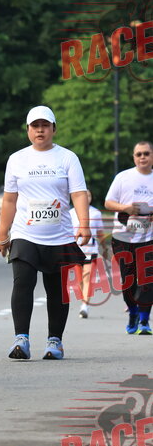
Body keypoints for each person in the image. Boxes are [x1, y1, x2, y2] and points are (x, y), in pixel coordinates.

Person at [0, 106, 91, 360]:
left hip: (59, 235)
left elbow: (78, 193)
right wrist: (3, 234)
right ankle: (21, 340)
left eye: (45, 125)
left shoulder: (67, 158)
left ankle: (54, 341)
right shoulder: (17, 159)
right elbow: (9, 200)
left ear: (53, 129)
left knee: (57, 289)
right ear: (28, 130)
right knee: (23, 282)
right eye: (35, 126)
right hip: (25, 233)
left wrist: (84, 224)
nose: (40, 130)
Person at [104, 140, 153, 335]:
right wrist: (125, 208)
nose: (143, 157)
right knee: (128, 280)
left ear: (152, 156)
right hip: (123, 237)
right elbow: (108, 203)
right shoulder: (123, 177)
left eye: (146, 153)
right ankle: (133, 312)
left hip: (149, 237)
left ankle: (144, 320)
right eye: (139, 154)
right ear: (134, 157)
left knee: (148, 279)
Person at [70, 190, 107, 318]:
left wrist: (104, 247)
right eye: (84, 195)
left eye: (89, 195)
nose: (86, 197)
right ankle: (84, 301)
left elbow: (100, 233)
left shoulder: (96, 213)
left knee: (87, 278)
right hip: (76, 250)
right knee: (79, 279)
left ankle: (85, 306)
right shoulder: (71, 213)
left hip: (91, 250)